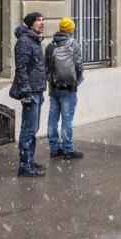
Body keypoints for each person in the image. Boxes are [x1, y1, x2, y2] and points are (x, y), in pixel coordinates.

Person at [11, 12, 47, 177]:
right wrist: (26, 91)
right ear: (31, 24)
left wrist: (41, 89)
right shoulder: (25, 42)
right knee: (28, 129)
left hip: (37, 90)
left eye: (43, 20)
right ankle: (25, 165)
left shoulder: (34, 41)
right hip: (30, 91)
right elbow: (21, 68)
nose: (42, 23)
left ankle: (30, 161)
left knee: (34, 129)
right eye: (38, 20)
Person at [46, 17, 85, 159]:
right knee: (67, 120)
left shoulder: (51, 45)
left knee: (52, 118)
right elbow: (79, 65)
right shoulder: (73, 44)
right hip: (69, 87)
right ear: (71, 29)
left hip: (54, 87)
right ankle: (68, 149)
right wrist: (77, 79)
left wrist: (52, 80)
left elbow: (46, 67)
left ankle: (54, 148)